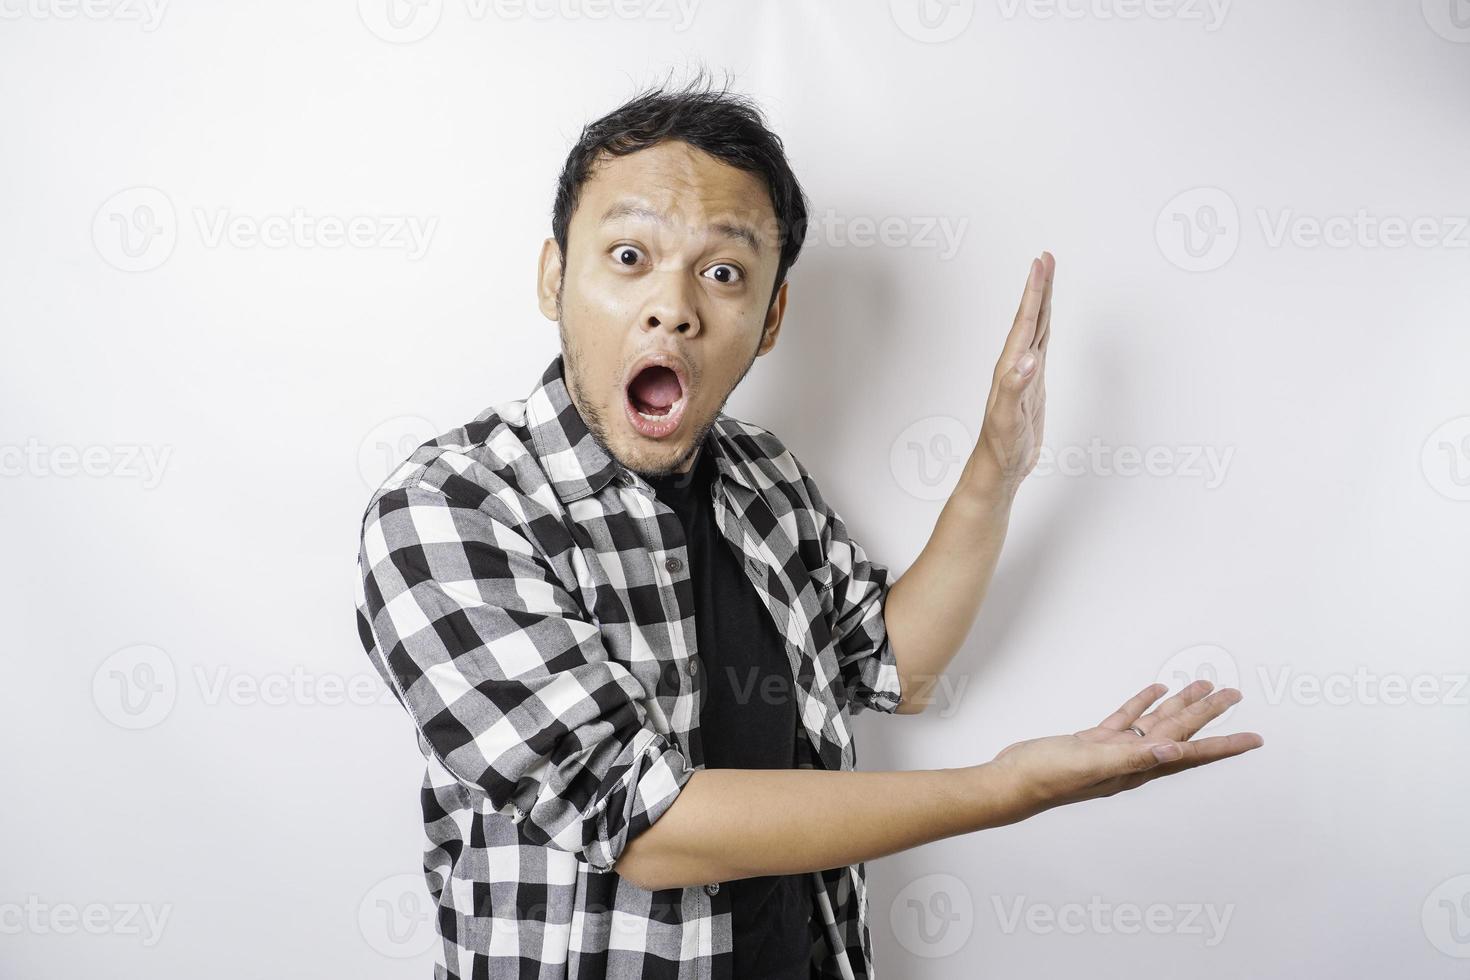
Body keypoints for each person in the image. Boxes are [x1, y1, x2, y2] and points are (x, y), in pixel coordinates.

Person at [353, 69, 1264, 980]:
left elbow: (894, 665)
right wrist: (1007, 788)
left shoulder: (763, 477)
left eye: (723, 271)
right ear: (555, 276)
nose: (674, 306)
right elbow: (642, 825)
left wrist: (998, 465)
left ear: (772, 316)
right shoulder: (447, 510)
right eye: (628, 257)